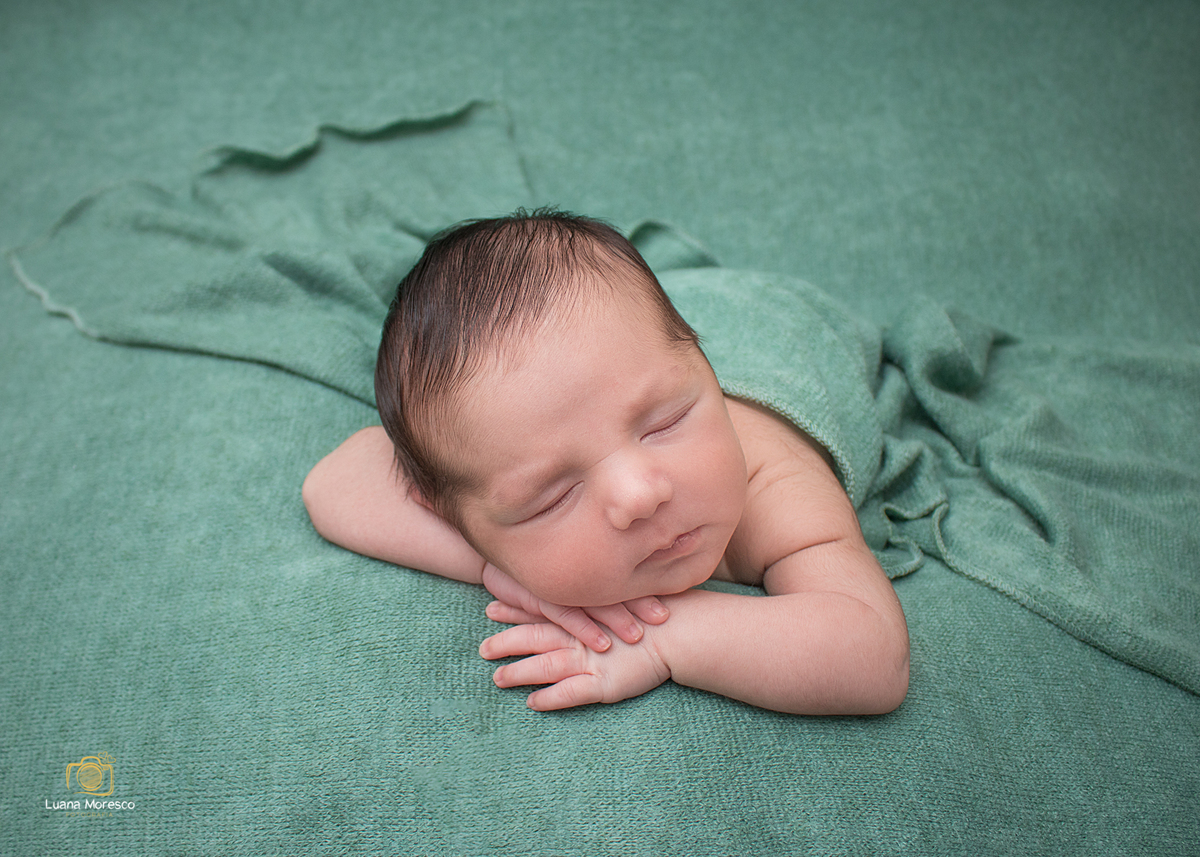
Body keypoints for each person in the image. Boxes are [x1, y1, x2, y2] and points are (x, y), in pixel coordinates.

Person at [302, 209, 909, 715]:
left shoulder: (771, 483)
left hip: (774, 322)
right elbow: (335, 482)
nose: (639, 494)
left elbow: (872, 654)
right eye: (552, 497)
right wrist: (501, 566)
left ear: (707, 373)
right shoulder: (508, 458)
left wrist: (664, 639)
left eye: (666, 424)